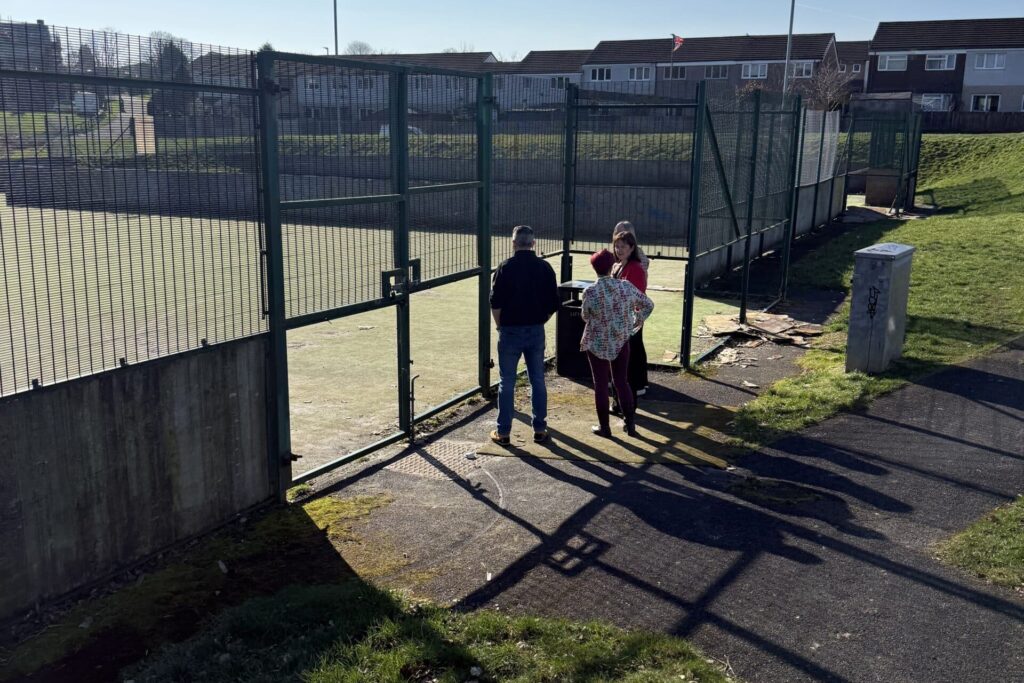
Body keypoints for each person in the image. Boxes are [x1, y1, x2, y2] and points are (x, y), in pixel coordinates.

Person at [489, 225, 560, 445]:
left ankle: (503, 432)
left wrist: (501, 326)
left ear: (513, 243)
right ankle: (539, 429)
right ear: (533, 243)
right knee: (537, 379)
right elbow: (552, 304)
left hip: (510, 330)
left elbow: (496, 303)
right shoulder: (545, 268)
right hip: (535, 329)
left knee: (506, 381)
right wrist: (540, 320)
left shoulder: (504, 268)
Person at [580, 249, 654, 438]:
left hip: (597, 342)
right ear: (612, 265)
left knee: (601, 385)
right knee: (622, 381)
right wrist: (636, 319)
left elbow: (585, 316)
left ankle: (605, 428)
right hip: (621, 340)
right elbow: (648, 304)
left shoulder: (590, 291)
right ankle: (631, 425)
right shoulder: (626, 287)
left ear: (594, 268)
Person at [612, 230, 649, 410]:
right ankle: (619, 400)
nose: (619, 250)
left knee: (630, 363)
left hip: (630, 322)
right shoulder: (617, 266)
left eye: (623, 246)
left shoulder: (635, 268)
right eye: (617, 246)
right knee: (619, 364)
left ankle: (629, 402)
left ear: (632, 247)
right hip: (618, 322)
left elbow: (638, 297)